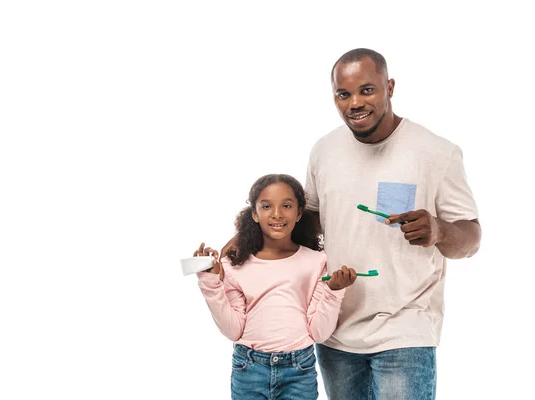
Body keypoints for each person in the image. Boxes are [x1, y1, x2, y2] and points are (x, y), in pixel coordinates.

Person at [303, 48, 482, 399]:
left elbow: (472, 237)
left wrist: (440, 230)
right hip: (336, 330)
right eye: (344, 94)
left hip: (405, 329)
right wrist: (249, 239)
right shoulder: (324, 150)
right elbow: (308, 224)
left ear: (390, 87)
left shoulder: (436, 152)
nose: (355, 102)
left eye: (367, 90)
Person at [193, 174, 357, 400]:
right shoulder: (233, 265)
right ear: (254, 213)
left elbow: (319, 333)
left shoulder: (316, 262)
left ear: (299, 213)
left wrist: (334, 292)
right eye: (266, 206)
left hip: (299, 370)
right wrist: (210, 283)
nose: (277, 214)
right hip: (249, 370)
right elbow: (233, 330)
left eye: (287, 206)